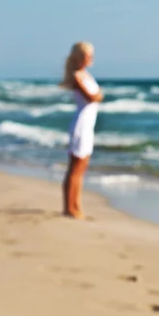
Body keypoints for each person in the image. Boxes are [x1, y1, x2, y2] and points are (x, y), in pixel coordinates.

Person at [60, 42, 103, 220]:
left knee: (81, 168)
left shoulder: (86, 75)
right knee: (75, 168)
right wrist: (99, 95)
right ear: (79, 57)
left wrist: (98, 96)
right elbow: (93, 97)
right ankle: (69, 207)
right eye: (87, 55)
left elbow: (97, 96)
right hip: (81, 126)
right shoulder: (77, 76)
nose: (91, 58)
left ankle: (76, 204)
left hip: (88, 125)